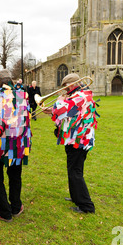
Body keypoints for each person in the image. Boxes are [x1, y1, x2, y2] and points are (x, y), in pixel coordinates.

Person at [43, 73, 98, 214]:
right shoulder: (77, 96)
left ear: (72, 84)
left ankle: (86, 206)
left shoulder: (81, 96)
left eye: (66, 87)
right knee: (73, 169)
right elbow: (68, 113)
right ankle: (76, 197)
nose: (65, 90)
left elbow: (64, 107)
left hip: (79, 141)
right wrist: (52, 111)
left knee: (76, 172)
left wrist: (59, 101)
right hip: (75, 139)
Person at [0, 70, 32, 222]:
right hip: (18, 143)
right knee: (15, 175)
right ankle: (16, 207)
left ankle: (5, 211)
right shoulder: (23, 95)